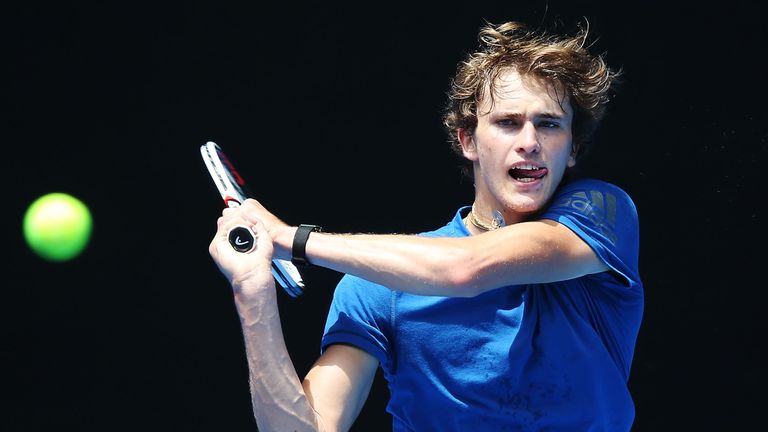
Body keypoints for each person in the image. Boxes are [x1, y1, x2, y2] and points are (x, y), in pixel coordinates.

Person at [209, 19, 643, 431]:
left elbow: (466, 268)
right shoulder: (375, 287)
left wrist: (291, 239)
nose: (529, 142)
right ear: (468, 140)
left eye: (548, 124)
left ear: (572, 149)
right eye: (508, 123)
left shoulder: (603, 213)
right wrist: (253, 292)